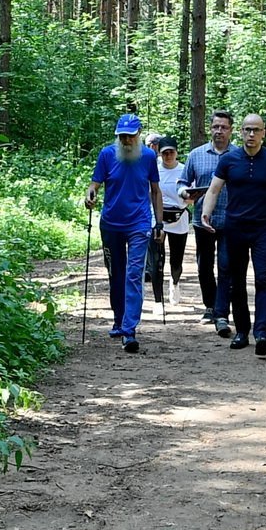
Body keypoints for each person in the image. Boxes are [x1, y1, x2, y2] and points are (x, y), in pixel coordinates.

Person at [198, 113, 266, 357]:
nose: (251, 134)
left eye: (256, 130)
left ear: (263, 133)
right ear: (240, 132)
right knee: (236, 281)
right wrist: (205, 213)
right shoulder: (229, 160)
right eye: (246, 130)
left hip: (263, 228)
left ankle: (262, 333)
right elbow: (214, 189)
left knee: (263, 278)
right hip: (235, 228)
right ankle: (242, 331)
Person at [85, 113, 164, 354]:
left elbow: (155, 191)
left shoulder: (149, 157)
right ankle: (119, 320)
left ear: (138, 135)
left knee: (134, 274)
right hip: (111, 223)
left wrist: (159, 223)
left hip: (139, 224)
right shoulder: (107, 155)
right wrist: (90, 195)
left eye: (130, 136)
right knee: (116, 274)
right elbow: (94, 184)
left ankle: (130, 330)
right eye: (122, 136)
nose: (126, 140)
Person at [184, 110, 234, 324]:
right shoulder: (196, 155)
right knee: (204, 266)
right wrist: (184, 192)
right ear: (210, 128)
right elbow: (182, 182)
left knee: (226, 265)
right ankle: (210, 306)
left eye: (223, 127)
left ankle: (222, 309)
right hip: (202, 221)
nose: (219, 131)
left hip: (231, 220)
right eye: (216, 127)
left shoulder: (239, 156)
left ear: (231, 130)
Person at [154, 137, 192, 307]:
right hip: (158, 219)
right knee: (156, 260)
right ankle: (157, 300)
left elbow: (193, 195)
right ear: (159, 154)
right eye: (164, 153)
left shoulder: (185, 170)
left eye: (171, 152)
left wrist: (191, 199)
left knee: (176, 261)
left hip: (179, 219)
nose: (168, 156)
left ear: (176, 152)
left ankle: (174, 283)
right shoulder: (153, 169)